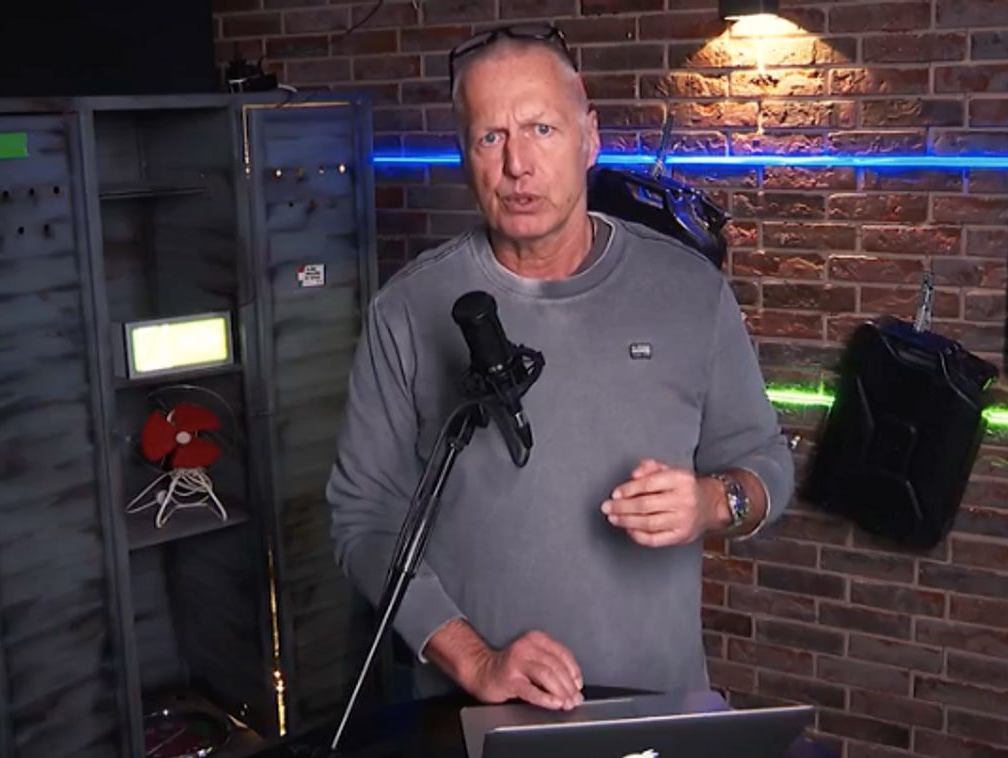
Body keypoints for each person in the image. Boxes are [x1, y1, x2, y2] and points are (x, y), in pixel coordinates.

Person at [326, 23, 794, 714]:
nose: (517, 164)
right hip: (476, 714)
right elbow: (363, 517)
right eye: (490, 137)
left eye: (541, 129)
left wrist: (712, 501)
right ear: (465, 155)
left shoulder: (688, 291)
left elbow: (767, 464)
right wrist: (473, 658)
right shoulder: (407, 308)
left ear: (589, 138)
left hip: (656, 705)